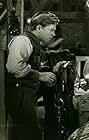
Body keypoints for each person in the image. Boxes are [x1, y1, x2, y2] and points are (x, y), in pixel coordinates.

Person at [6, 11, 61, 140]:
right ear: (39, 28)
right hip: (19, 95)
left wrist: (51, 70)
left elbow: (31, 66)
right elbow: (14, 68)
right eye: (51, 30)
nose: (54, 34)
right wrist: (40, 76)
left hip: (26, 94)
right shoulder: (23, 40)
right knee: (31, 135)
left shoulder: (35, 44)